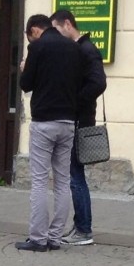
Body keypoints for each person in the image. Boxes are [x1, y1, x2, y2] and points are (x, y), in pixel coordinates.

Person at [16, 13, 82, 252]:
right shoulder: (73, 48)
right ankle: (55, 237)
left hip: (44, 122)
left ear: (34, 30)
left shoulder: (38, 47)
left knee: (40, 180)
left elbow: (27, 84)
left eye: (29, 37)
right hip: (68, 122)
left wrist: (25, 68)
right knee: (63, 180)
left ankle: (38, 238)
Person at [50, 10, 106, 246]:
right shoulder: (79, 50)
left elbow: (98, 82)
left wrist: (75, 102)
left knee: (75, 176)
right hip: (78, 118)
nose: (57, 34)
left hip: (80, 120)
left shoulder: (86, 49)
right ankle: (81, 226)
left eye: (57, 29)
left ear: (68, 24)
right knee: (74, 175)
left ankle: (84, 229)